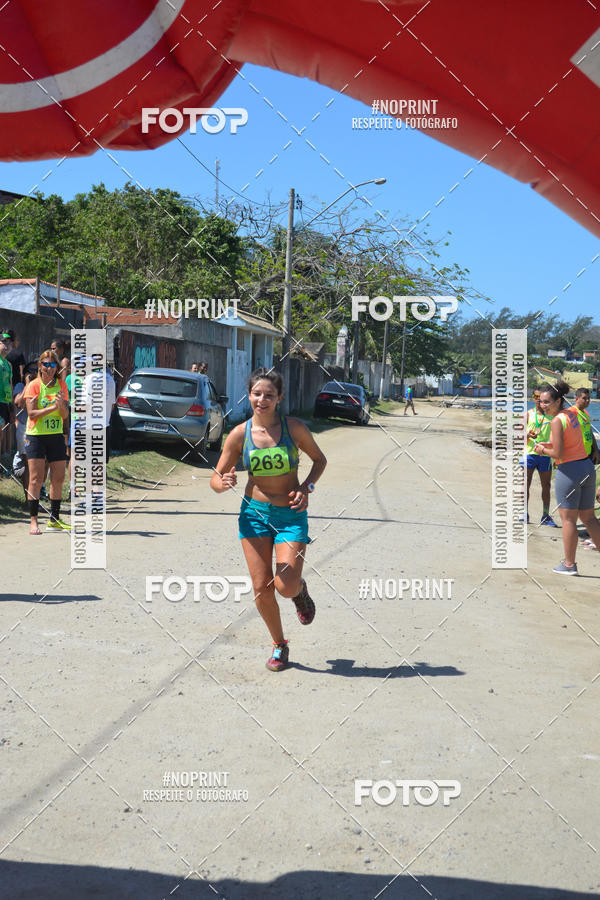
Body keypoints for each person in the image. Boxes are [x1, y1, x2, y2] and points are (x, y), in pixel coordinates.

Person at [210, 368, 327, 671]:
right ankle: (279, 645)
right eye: (257, 394)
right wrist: (222, 483)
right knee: (261, 586)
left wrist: (306, 487)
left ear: (279, 398)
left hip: (290, 515)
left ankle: (300, 593)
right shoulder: (239, 434)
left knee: (285, 585)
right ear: (249, 395)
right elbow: (216, 476)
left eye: (269, 395)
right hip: (254, 515)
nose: (262, 400)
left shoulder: (294, 428)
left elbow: (319, 460)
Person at [536, 380, 600, 575]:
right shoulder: (572, 414)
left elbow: (558, 453)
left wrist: (541, 449)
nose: (542, 405)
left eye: (547, 402)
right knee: (589, 517)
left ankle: (569, 564)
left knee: (568, 519)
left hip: (570, 471)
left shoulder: (556, 420)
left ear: (557, 401)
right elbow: (571, 441)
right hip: (587, 467)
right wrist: (549, 443)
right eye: (540, 401)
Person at [23, 349, 70, 534]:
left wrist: (61, 408)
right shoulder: (34, 385)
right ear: (40, 366)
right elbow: (31, 414)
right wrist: (53, 407)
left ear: (57, 367)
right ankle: (33, 521)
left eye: (52, 365)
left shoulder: (61, 385)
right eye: (45, 364)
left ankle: (54, 519)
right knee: (35, 478)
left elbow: (65, 415)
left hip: (56, 435)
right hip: (36, 436)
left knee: (58, 478)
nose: (49, 368)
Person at [523, 389, 556, 526]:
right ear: (533, 398)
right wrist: (528, 435)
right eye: (536, 396)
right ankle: (524, 513)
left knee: (546, 486)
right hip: (529, 453)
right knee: (525, 485)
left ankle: (545, 515)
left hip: (545, 455)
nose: (538, 399)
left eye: (541, 397)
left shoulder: (552, 416)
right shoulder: (528, 414)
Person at [0, 330, 14, 469]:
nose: (6, 344)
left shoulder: (8, 364)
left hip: (5, 403)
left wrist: (11, 406)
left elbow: (10, 385)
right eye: (3, 341)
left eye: (8, 342)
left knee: (2, 435)